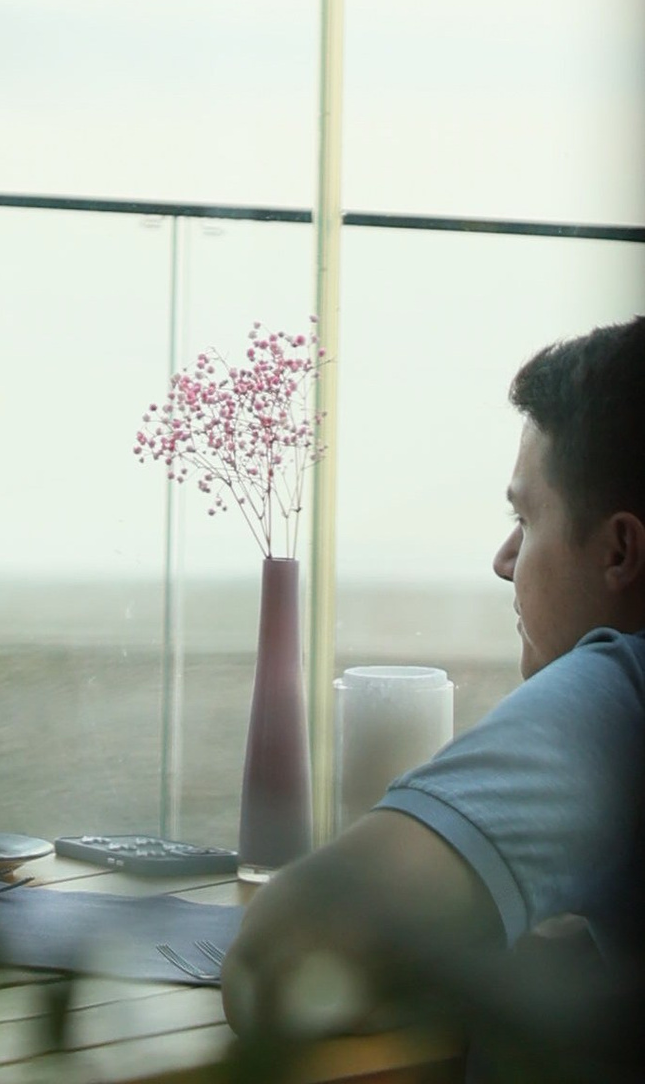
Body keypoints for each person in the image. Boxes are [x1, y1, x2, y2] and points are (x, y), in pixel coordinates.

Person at [224, 316, 645, 1035]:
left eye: (526, 519)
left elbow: (277, 961)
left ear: (619, 552)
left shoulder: (615, 700)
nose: (504, 560)